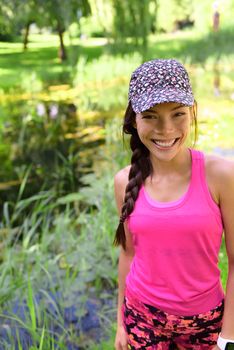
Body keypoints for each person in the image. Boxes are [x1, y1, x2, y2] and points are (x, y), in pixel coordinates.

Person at [113, 59, 234, 350]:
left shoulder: (222, 175)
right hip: (141, 316)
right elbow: (128, 255)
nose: (166, 130)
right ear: (133, 120)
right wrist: (120, 322)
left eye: (177, 114)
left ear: (192, 113)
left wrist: (228, 337)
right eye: (151, 116)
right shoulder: (123, 182)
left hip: (204, 321)